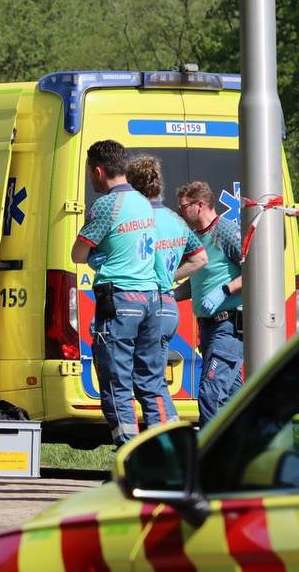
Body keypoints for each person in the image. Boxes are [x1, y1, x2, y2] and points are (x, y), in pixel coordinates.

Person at [70, 140, 161, 447]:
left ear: (98, 170)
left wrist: (99, 257)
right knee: (150, 383)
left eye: (89, 172)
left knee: (116, 383)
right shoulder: (142, 201)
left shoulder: (107, 205)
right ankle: (163, 451)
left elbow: (78, 254)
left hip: (120, 300)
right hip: (151, 299)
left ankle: (130, 458)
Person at [125, 156, 207, 427]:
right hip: (168, 305)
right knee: (153, 378)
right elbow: (200, 259)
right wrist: (168, 277)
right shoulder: (177, 221)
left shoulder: (138, 219)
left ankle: (166, 435)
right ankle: (165, 434)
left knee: (146, 380)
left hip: (145, 304)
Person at [176, 180, 244, 425]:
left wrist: (224, 290)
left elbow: (256, 272)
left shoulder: (224, 231)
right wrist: (170, 294)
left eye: (183, 207)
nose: (180, 212)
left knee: (211, 395)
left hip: (228, 328)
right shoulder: (196, 238)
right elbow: (196, 283)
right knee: (236, 400)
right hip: (208, 328)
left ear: (200, 205)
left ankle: (210, 458)